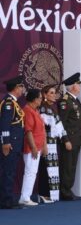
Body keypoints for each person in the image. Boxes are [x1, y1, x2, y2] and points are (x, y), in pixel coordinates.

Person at [58, 73, 81, 201]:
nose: (79, 86)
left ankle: (68, 190)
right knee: (67, 166)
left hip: (77, 138)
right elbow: (61, 122)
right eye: (78, 84)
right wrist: (65, 139)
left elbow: (76, 119)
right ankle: (65, 192)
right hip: (70, 139)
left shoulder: (74, 100)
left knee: (72, 166)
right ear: (73, 86)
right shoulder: (65, 101)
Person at [38, 84, 70, 203]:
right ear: (44, 95)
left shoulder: (53, 108)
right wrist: (44, 144)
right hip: (46, 142)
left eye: (54, 92)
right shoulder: (43, 108)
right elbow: (43, 127)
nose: (54, 95)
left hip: (53, 142)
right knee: (45, 167)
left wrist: (65, 139)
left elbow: (60, 126)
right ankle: (44, 194)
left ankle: (52, 195)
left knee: (52, 168)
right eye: (51, 93)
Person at [0, 75, 25, 209]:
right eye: (21, 87)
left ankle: (8, 198)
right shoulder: (9, 103)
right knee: (8, 172)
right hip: (9, 144)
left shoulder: (13, 102)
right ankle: (6, 200)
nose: (22, 89)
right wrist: (5, 142)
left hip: (15, 143)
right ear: (16, 88)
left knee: (10, 171)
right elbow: (4, 124)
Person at [19, 89, 46, 206]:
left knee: (32, 172)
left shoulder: (35, 110)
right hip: (31, 148)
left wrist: (43, 146)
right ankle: (25, 197)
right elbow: (28, 131)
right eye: (40, 98)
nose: (41, 100)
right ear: (34, 99)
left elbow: (41, 130)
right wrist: (34, 147)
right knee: (30, 172)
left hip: (37, 146)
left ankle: (25, 197)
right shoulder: (28, 111)